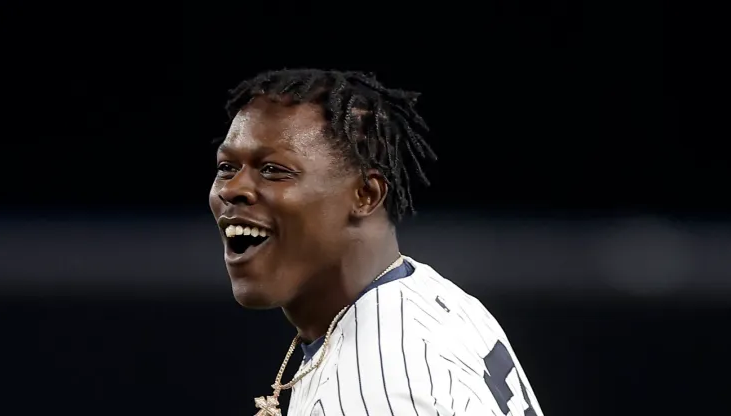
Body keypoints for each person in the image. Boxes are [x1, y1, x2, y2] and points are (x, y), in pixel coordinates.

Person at [208, 69, 544, 416]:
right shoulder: (433, 297)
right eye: (226, 167)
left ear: (366, 195)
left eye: (274, 170)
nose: (232, 189)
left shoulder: (372, 386)